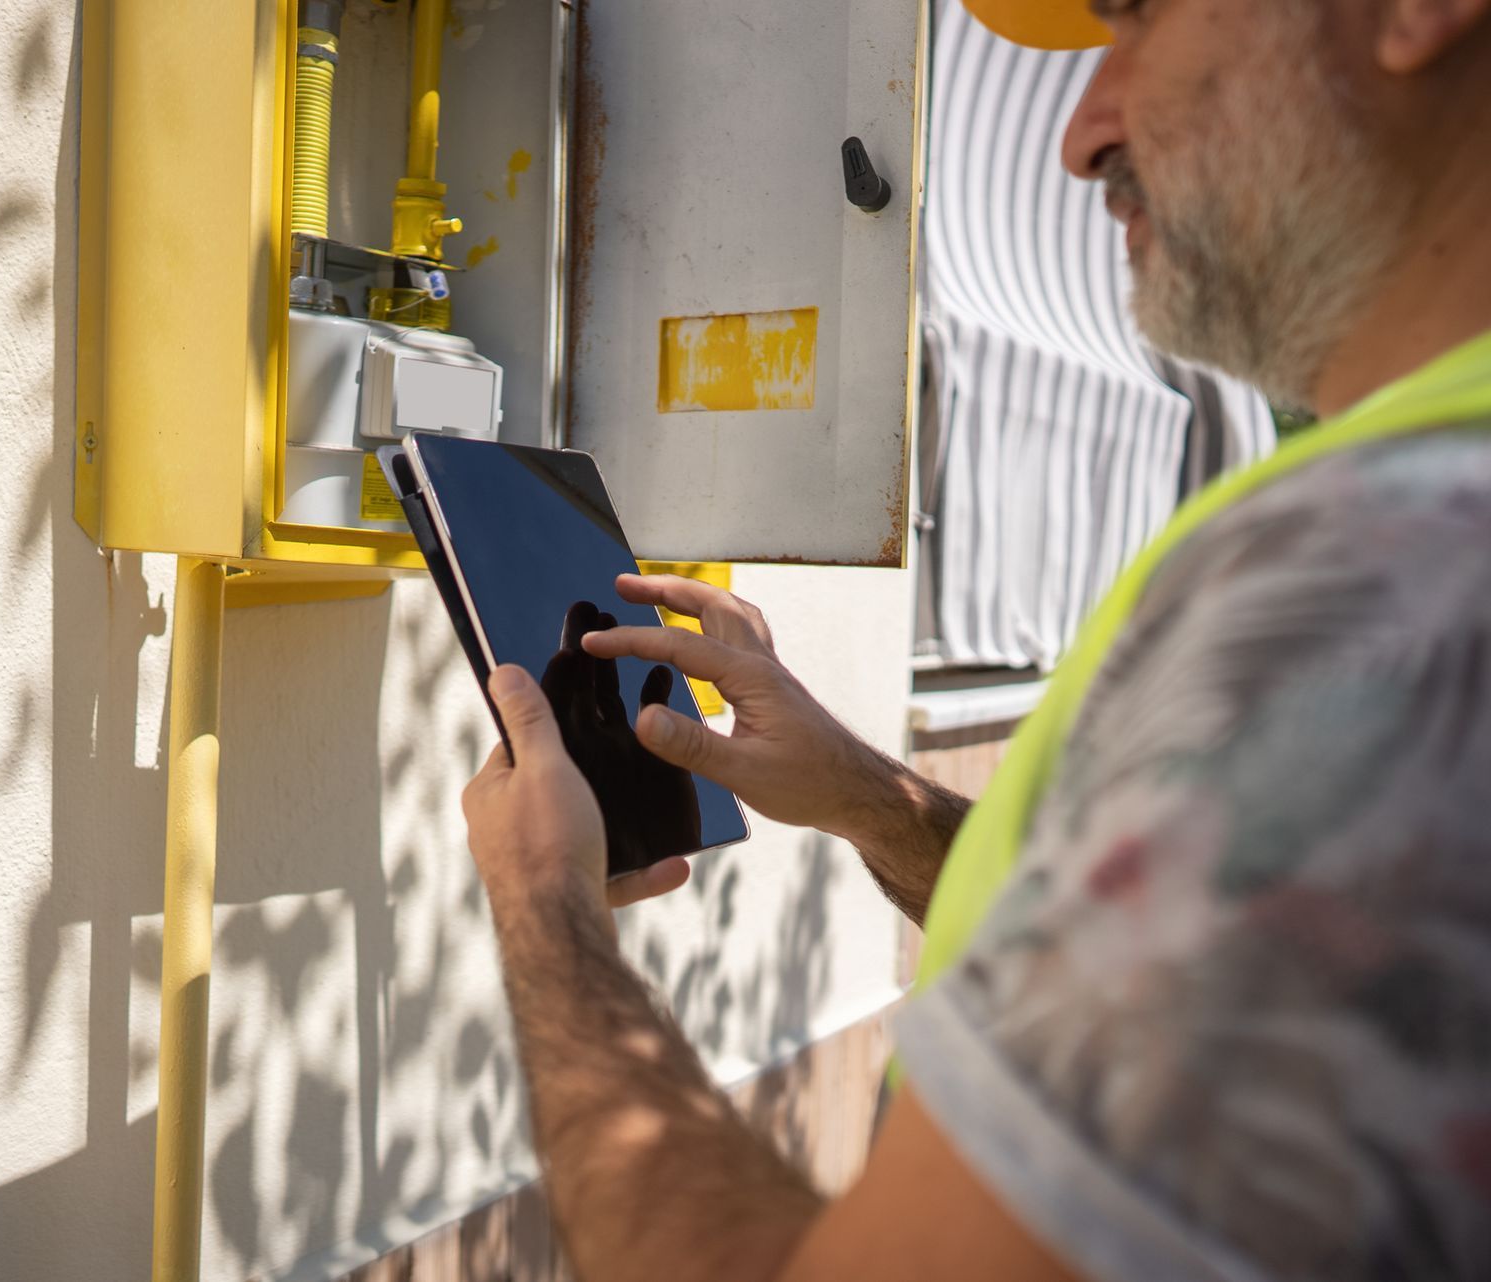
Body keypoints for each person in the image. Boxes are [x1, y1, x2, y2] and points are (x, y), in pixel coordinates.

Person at [459, 0, 1491, 1278]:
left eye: (1141, 18)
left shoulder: (1384, 581)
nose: (1080, 133)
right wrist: (871, 799)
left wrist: (547, 912)